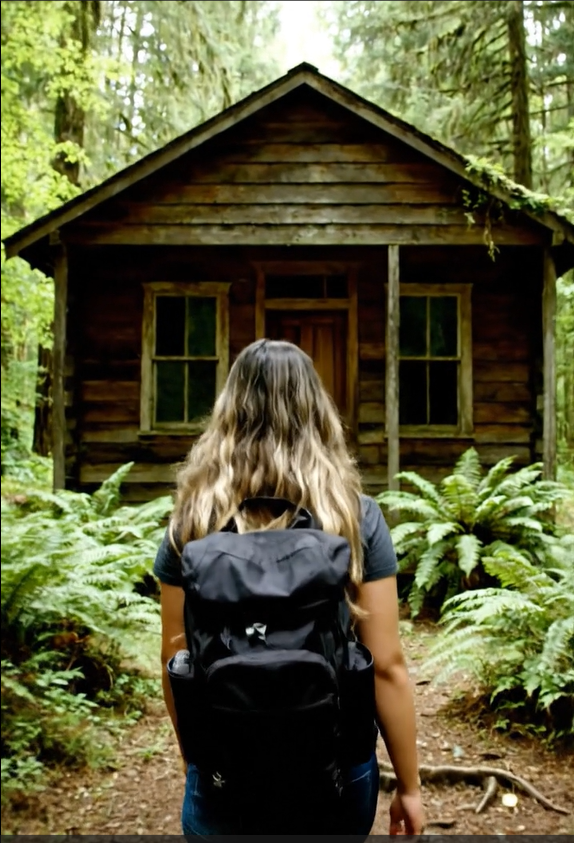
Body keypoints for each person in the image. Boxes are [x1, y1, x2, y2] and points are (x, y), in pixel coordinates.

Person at [154, 338, 425, 836]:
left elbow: (176, 658)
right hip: (336, 773)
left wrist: (199, 763)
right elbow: (385, 665)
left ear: (228, 412)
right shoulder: (353, 517)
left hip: (225, 773)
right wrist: (409, 786)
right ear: (316, 412)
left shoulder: (191, 521)